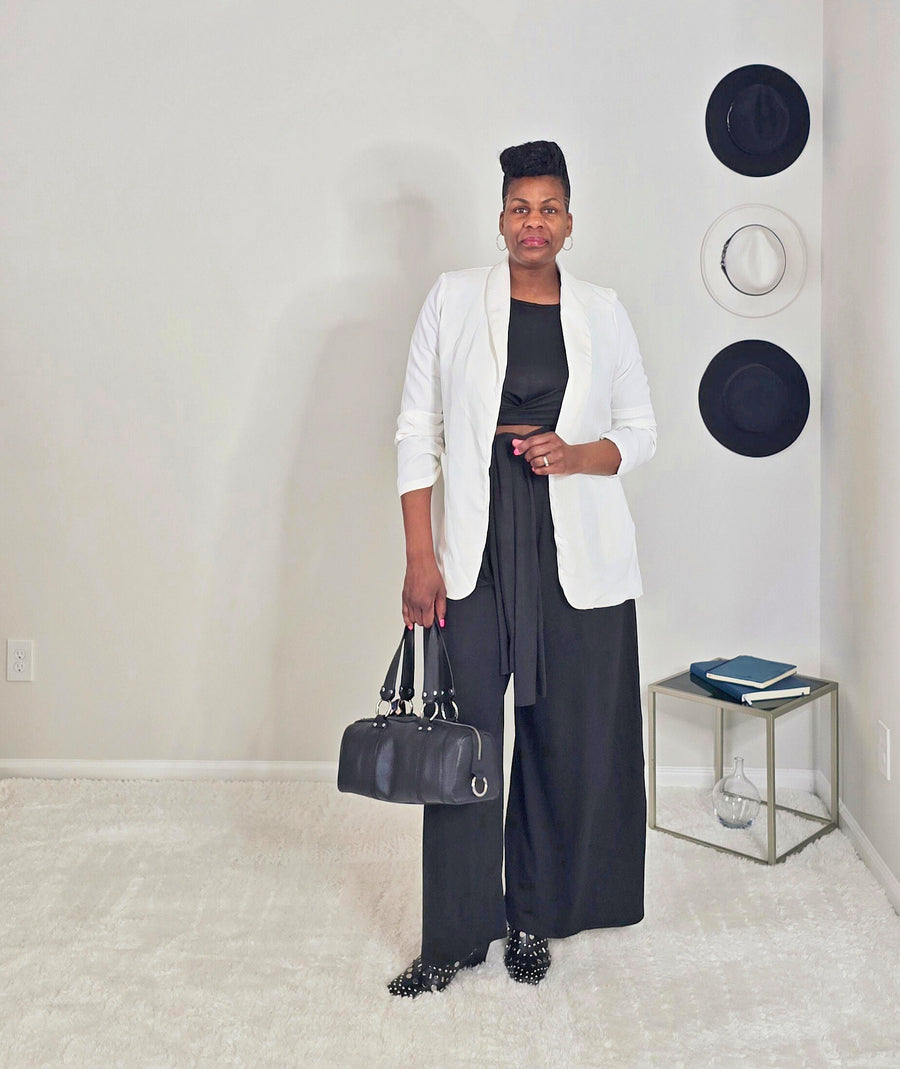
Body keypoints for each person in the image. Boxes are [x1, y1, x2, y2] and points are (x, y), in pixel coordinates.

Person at [389, 141, 657, 997]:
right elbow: (417, 430)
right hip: (476, 543)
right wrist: (420, 555)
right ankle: (453, 938)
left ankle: (536, 917)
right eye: (519, 207)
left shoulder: (603, 311)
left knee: (563, 733)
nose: (532, 222)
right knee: (466, 737)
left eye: (548, 209)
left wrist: (575, 454)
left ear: (570, 222)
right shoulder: (453, 298)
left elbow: (641, 430)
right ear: (500, 217)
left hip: (575, 541)